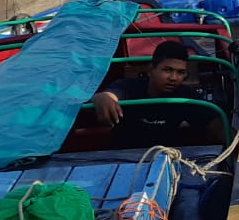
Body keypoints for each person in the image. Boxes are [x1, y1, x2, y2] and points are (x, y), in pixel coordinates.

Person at [90, 40, 220, 148]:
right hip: (124, 156)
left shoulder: (186, 96)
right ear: (151, 69)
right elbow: (110, 95)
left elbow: (215, 126)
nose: (174, 78)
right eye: (167, 70)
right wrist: (102, 98)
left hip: (168, 158)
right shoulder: (128, 87)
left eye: (180, 72)